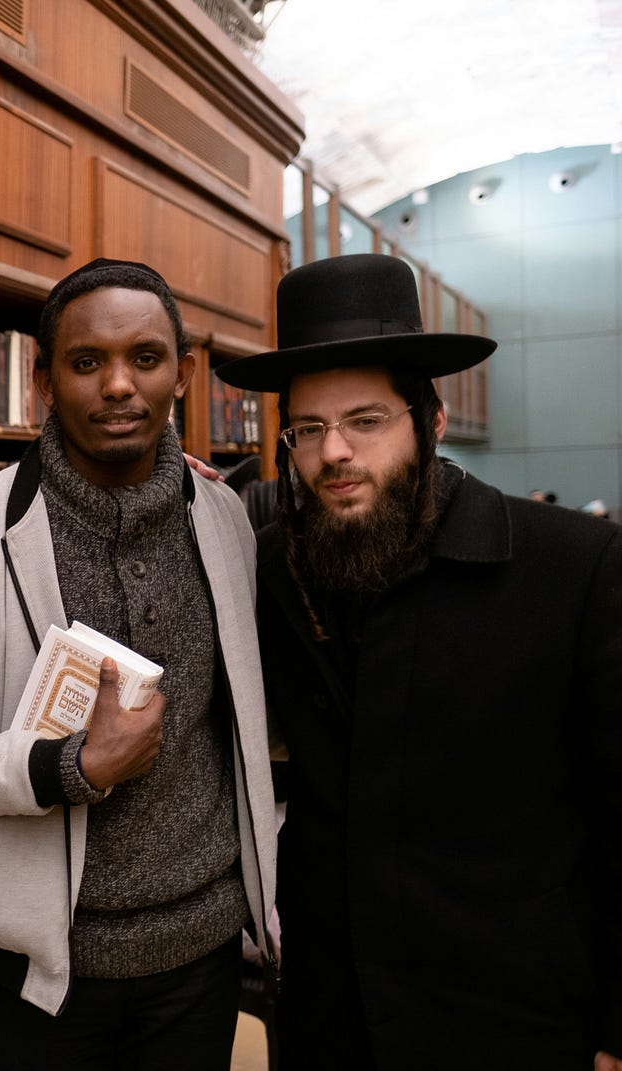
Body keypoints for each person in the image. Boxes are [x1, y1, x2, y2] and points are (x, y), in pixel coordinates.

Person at [213, 252, 622, 1071]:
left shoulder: (574, 565)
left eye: (366, 420)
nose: (334, 453)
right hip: (333, 1020)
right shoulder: (263, 569)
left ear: (430, 422)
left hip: (517, 1020)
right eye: (308, 428)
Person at [0, 258, 277, 1071]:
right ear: (44, 383)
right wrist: (69, 765)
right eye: (87, 362)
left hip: (199, 955)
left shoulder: (227, 518)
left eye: (146, 358)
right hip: (38, 966)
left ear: (184, 375)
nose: (119, 385)